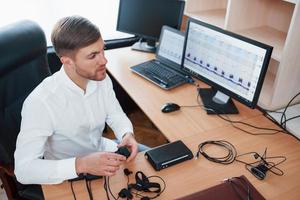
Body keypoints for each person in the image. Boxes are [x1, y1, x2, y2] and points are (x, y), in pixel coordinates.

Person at [14, 16, 140, 184]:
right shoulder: (41, 102)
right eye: (93, 55)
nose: (104, 60)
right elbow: (23, 170)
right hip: (67, 173)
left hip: (104, 153)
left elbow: (115, 114)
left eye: (103, 50)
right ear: (67, 61)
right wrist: (81, 164)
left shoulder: (100, 78)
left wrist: (126, 133)